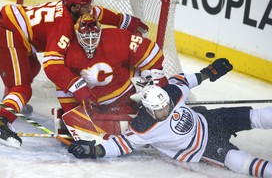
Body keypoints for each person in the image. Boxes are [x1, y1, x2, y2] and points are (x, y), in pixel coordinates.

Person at [0, 0, 148, 148]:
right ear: (75, 8)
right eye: (86, 6)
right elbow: (52, 66)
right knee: (22, 88)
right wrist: (79, 88)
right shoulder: (63, 25)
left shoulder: (75, 10)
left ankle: (12, 101)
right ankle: (1, 123)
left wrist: (123, 21)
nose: (90, 8)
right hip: (6, 33)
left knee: (32, 68)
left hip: (10, 30)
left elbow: (98, 12)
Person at [67, 58, 272, 178]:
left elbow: (186, 81)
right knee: (240, 162)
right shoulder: (143, 126)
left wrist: (210, 71)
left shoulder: (171, 93)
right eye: (159, 111)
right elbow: (121, 145)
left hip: (209, 120)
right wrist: (94, 150)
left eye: (166, 106)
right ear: (148, 110)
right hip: (202, 147)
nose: (165, 111)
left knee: (255, 115)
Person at [53, 13, 167, 141]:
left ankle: (160, 110)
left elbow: (150, 52)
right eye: (85, 37)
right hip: (96, 101)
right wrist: (71, 111)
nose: (90, 41)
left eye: (94, 36)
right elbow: (62, 82)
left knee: (151, 80)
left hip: (128, 90)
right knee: (70, 91)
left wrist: (159, 84)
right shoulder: (69, 52)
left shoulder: (116, 38)